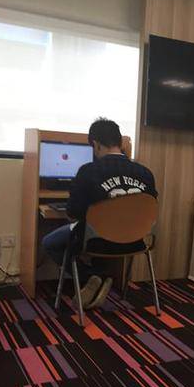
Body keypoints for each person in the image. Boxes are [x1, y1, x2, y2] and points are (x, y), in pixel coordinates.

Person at [42, 118, 157, 309]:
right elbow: (150, 208)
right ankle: (101, 276)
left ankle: (93, 276)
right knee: (101, 230)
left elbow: (73, 213)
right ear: (120, 143)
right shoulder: (145, 173)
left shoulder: (88, 171)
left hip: (98, 242)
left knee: (50, 243)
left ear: (95, 144)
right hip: (135, 241)